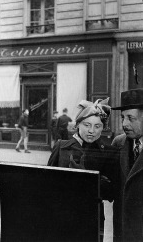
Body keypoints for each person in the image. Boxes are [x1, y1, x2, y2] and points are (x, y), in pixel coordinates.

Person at [48, 98, 120, 240]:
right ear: (78, 124)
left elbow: (111, 192)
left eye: (97, 126)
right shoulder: (61, 147)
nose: (91, 131)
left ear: (103, 128)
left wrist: (85, 178)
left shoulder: (107, 152)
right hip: (63, 215)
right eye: (87, 125)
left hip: (92, 218)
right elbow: (47, 184)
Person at [111, 88, 143, 242]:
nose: (124, 124)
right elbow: (111, 186)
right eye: (123, 117)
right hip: (123, 231)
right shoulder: (118, 143)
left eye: (131, 118)